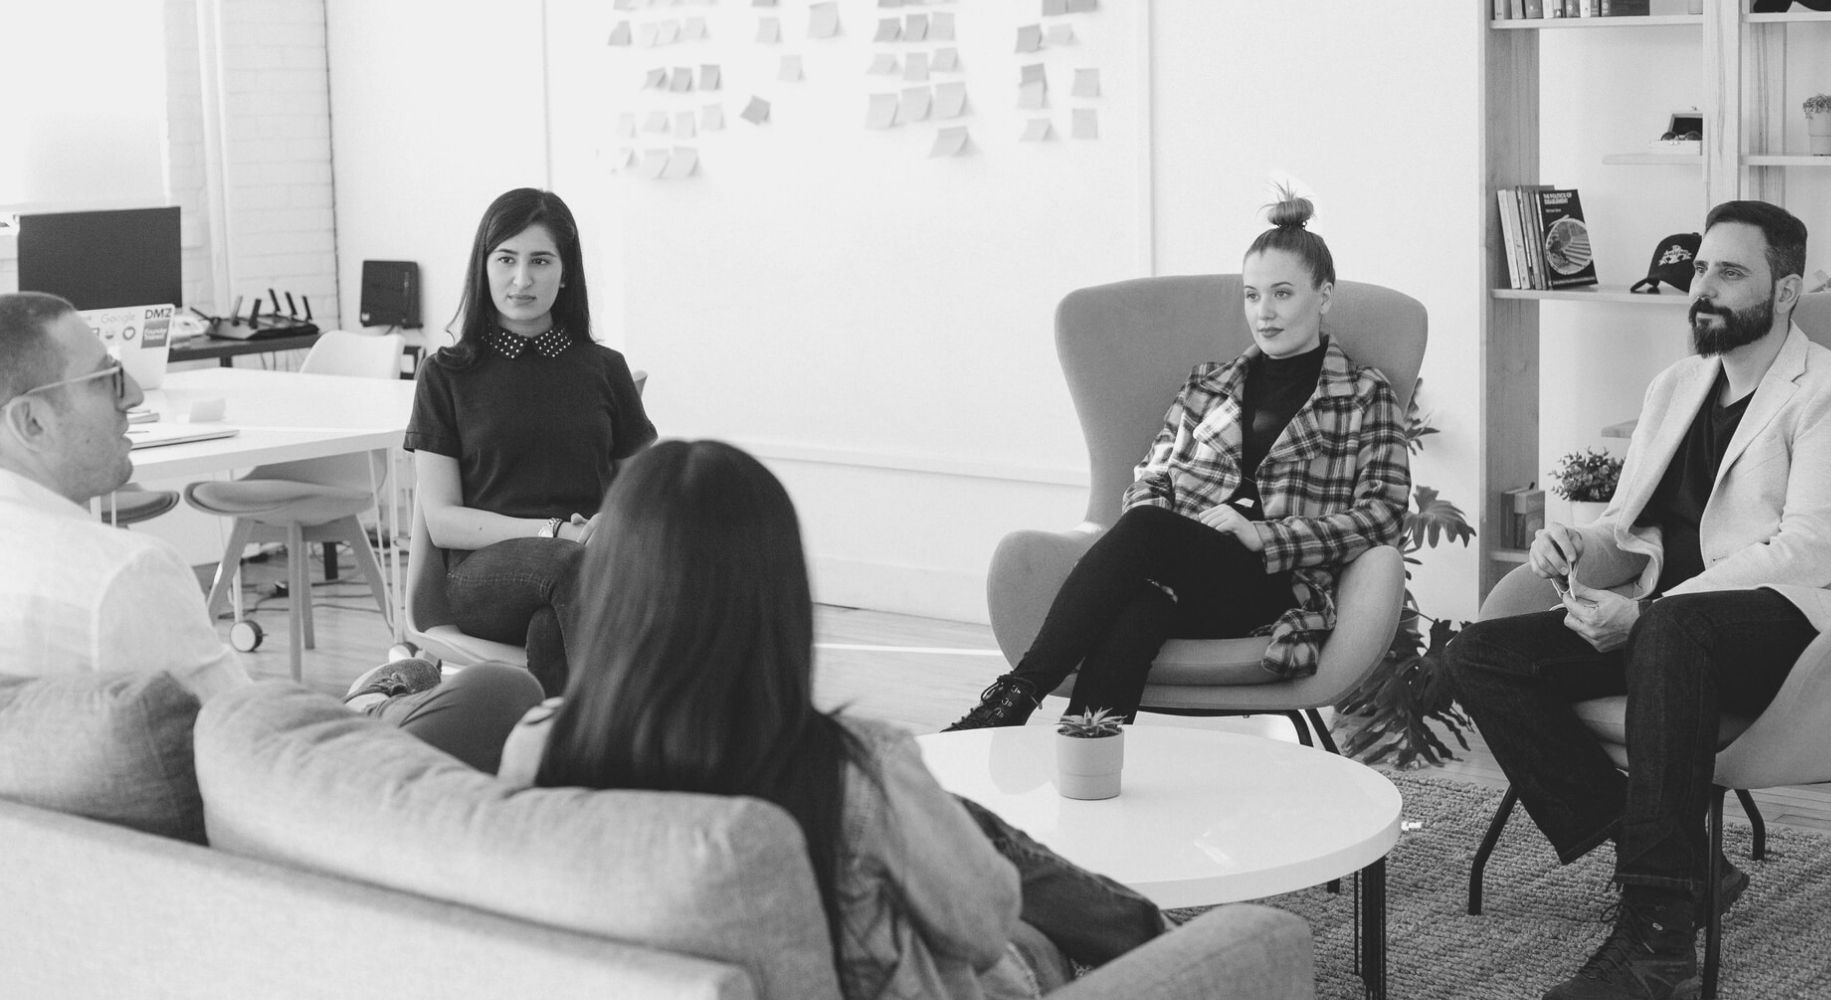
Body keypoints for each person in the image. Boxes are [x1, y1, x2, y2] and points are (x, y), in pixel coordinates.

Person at [497, 440, 1168, 1000]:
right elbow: (984, 924)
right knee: (1009, 914)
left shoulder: (538, 748)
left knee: (947, 820)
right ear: (778, 595)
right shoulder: (851, 771)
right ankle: (1157, 938)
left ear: (611, 589)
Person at [1446, 200, 1831, 1000]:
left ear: (1787, 289)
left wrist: (1651, 617)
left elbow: (1812, 551)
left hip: (1805, 624)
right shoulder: (1676, 387)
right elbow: (1633, 529)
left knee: (1675, 632)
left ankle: (1658, 940)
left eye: (1730, 273)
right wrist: (1576, 546)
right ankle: (1686, 864)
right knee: (1482, 653)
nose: (1704, 287)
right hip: (1676, 624)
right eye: (1700, 269)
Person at [0, 290, 541, 774]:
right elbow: (251, 744)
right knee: (499, 689)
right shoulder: (122, 577)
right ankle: (366, 707)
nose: (135, 398)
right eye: (106, 379)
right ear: (31, 422)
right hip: (290, 800)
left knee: (420, 690)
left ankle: (366, 704)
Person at [945, 193, 1411, 729]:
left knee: (1146, 532)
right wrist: (1180, 538)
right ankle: (1087, 757)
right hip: (1182, 570)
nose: (1265, 312)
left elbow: (1384, 514)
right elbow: (1152, 477)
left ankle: (1015, 696)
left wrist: (1267, 536)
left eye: (1283, 294)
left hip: (1275, 585)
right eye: (1253, 295)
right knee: (1141, 606)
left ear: (1324, 295)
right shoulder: (1208, 384)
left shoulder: (1362, 393)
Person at [406, 188, 656, 696]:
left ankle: (558, 757)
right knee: (573, 568)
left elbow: (650, 490)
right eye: (506, 260)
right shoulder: (446, 374)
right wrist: (555, 531)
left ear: (566, 273)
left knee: (552, 627)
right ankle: (637, 735)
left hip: (582, 571)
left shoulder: (604, 369)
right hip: (482, 579)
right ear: (484, 267)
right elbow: (443, 521)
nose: (522, 279)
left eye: (540, 261)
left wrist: (615, 519)